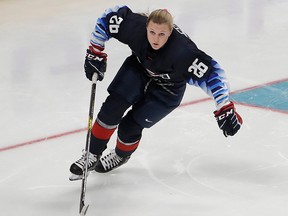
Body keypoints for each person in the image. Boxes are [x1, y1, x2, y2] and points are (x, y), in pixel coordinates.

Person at [69, 5, 243, 180]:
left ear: (171, 32)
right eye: (152, 32)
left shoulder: (183, 52)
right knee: (113, 106)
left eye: (162, 34)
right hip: (139, 67)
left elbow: (214, 75)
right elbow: (108, 18)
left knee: (130, 126)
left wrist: (224, 106)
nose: (156, 39)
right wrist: (95, 51)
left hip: (168, 89)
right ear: (146, 27)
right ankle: (91, 154)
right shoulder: (134, 28)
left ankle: (121, 155)